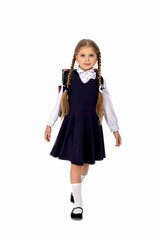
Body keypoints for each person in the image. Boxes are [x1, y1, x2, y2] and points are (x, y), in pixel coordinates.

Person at [44, 39, 122, 220]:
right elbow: (58, 102)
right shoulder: (69, 77)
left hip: (91, 127)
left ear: (97, 58)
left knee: (86, 164)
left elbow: (108, 106)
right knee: (76, 163)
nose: (87, 59)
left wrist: (114, 129)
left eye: (91, 55)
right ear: (76, 57)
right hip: (73, 125)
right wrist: (50, 123)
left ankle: (76, 187)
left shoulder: (100, 80)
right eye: (83, 55)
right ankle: (78, 206)